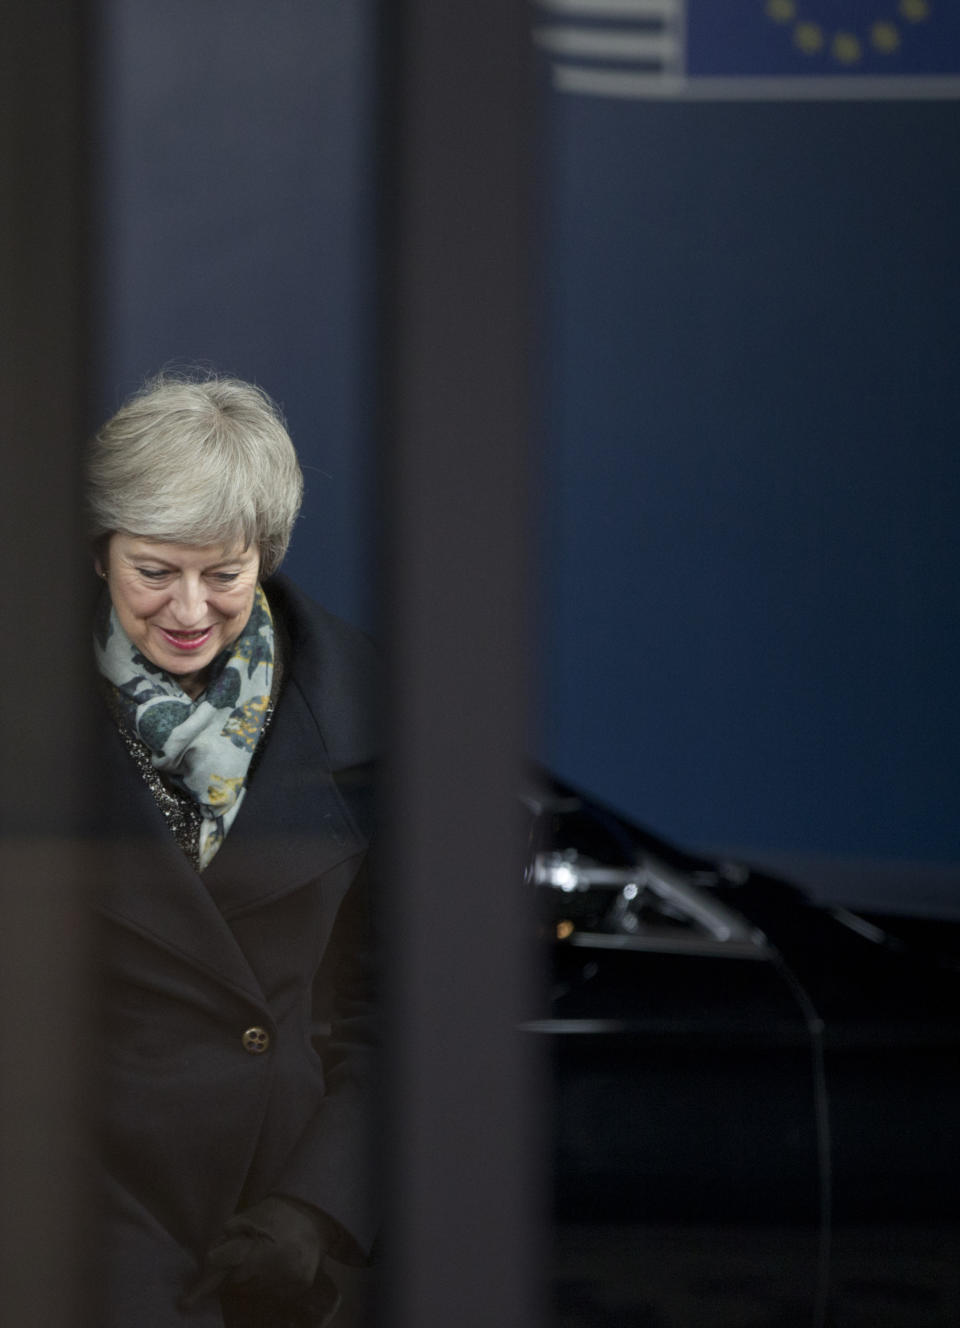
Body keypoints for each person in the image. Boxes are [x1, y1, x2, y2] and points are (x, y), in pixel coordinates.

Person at [84, 373, 379, 1327]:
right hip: (67, 1207)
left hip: (264, 1228)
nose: (189, 610)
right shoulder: (26, 701)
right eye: (155, 571)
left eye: (224, 574)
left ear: (266, 556)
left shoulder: (365, 708)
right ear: (101, 555)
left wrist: (319, 1211)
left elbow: (406, 1002)